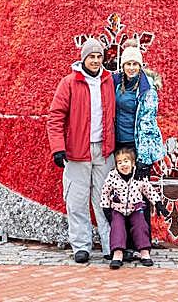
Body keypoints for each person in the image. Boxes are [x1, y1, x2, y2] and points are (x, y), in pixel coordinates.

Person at [47, 38, 116, 264]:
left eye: (99, 57)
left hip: (104, 150)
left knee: (104, 200)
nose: (95, 61)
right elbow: (56, 117)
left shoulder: (108, 81)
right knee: (76, 201)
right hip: (77, 151)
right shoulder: (69, 82)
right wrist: (58, 148)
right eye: (91, 57)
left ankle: (109, 244)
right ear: (83, 58)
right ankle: (81, 245)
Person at [100, 146, 166, 268]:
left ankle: (144, 252)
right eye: (119, 162)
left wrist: (158, 203)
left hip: (136, 207)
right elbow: (105, 192)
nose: (123, 165)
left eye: (126, 161)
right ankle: (118, 253)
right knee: (117, 227)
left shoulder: (139, 176)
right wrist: (106, 207)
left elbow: (148, 190)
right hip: (118, 208)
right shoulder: (112, 176)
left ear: (133, 163)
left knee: (141, 225)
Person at [112, 44, 164, 178]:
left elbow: (148, 125)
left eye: (135, 64)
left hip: (136, 144)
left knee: (139, 189)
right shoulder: (115, 82)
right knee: (119, 189)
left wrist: (144, 158)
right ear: (122, 66)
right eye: (128, 64)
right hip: (118, 142)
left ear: (140, 66)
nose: (131, 68)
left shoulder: (147, 89)